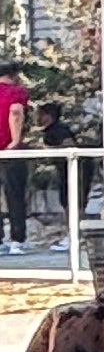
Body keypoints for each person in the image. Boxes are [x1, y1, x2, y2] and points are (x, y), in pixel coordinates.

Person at [0, 68, 27, 253]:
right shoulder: (16, 92)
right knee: (15, 193)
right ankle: (17, 239)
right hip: (9, 151)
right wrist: (15, 141)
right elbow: (15, 112)